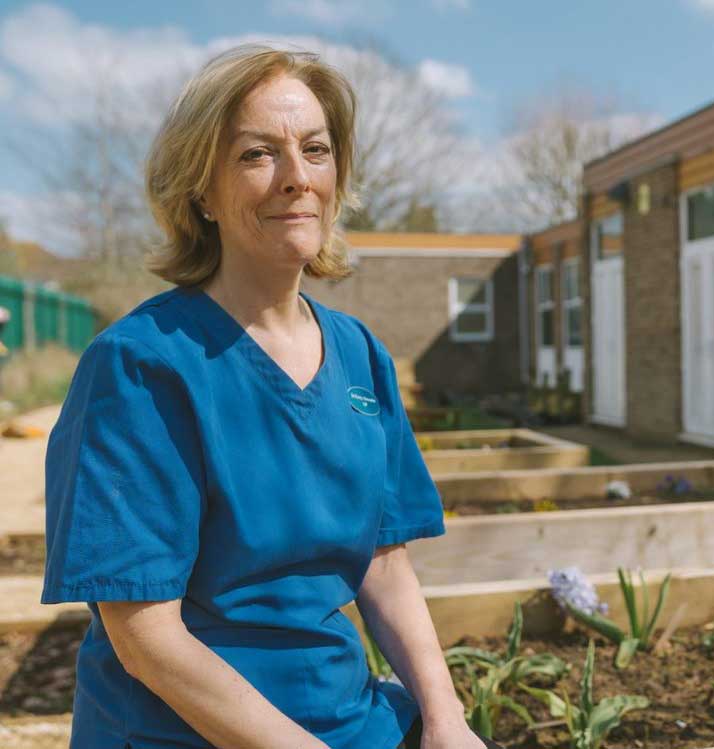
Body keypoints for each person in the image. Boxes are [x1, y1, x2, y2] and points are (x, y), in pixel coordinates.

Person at [41, 44, 493, 749]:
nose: (296, 178)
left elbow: (384, 560)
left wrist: (446, 717)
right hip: (182, 732)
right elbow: (145, 637)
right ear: (201, 191)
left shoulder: (359, 354)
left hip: (344, 717)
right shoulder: (139, 366)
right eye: (258, 154)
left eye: (315, 149)